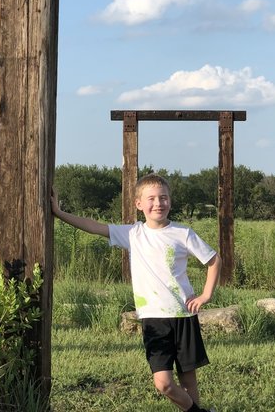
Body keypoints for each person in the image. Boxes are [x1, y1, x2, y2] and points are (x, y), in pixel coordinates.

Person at [51, 173, 221, 412]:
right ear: (139, 204)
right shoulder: (132, 233)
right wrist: (59, 213)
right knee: (163, 383)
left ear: (170, 201)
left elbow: (214, 260)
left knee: (188, 379)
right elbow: (93, 227)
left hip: (184, 316)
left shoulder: (183, 233)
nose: (158, 203)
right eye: (151, 198)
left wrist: (205, 295)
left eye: (163, 198)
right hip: (153, 319)